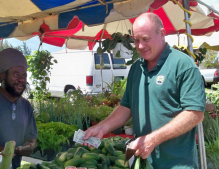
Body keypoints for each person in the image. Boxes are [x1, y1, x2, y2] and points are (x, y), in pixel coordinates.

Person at [84, 12, 205, 168]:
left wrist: (152, 139)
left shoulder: (183, 65)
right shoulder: (136, 68)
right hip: (144, 163)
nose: (140, 46)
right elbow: (126, 107)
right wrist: (101, 127)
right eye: (136, 40)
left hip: (176, 163)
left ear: (162, 34)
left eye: (146, 39)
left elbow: (195, 114)